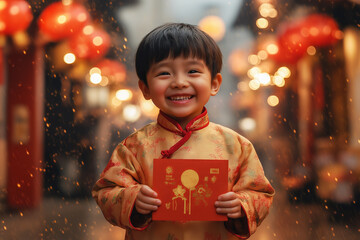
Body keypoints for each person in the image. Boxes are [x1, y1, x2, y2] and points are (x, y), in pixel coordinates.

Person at [92, 23, 275, 240]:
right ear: (145, 89)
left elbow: (260, 193)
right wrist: (132, 199)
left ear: (215, 83)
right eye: (164, 73)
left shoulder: (237, 146)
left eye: (193, 71)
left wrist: (242, 205)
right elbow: (106, 191)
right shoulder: (134, 146)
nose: (179, 82)